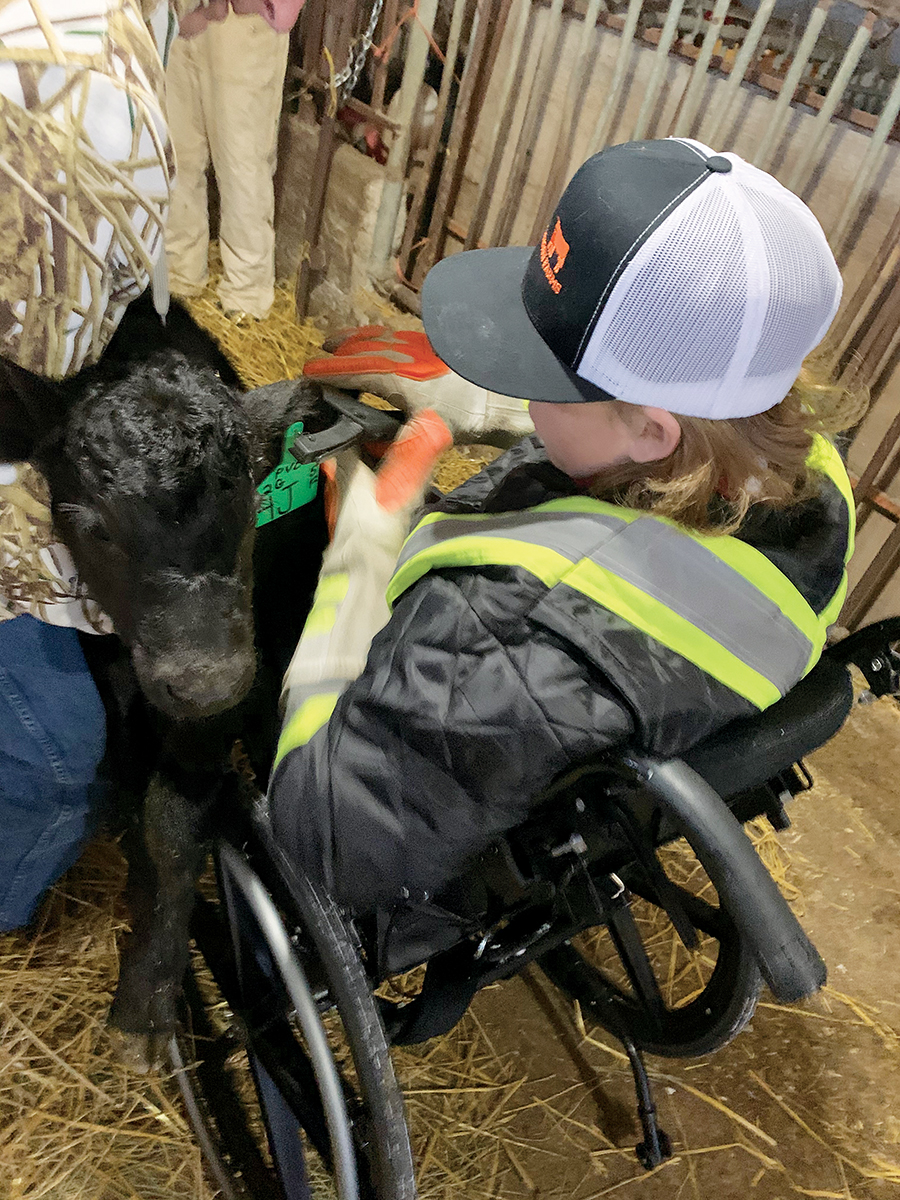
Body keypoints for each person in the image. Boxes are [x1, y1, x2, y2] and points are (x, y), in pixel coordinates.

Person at [269, 136, 862, 918]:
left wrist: (364, 558)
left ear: (650, 433)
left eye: (538, 373)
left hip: (375, 809)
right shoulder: (813, 476)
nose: (512, 381)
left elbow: (326, 836)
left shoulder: (497, 628)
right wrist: (524, 416)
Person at [0, 0, 172, 930]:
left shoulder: (110, 33)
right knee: (60, 751)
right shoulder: (60, 66)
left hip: (52, 390)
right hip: (30, 413)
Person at [163, 0, 304, 322]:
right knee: (177, 155)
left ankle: (247, 295)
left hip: (242, 17)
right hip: (182, 16)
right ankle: (179, 274)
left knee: (241, 162)